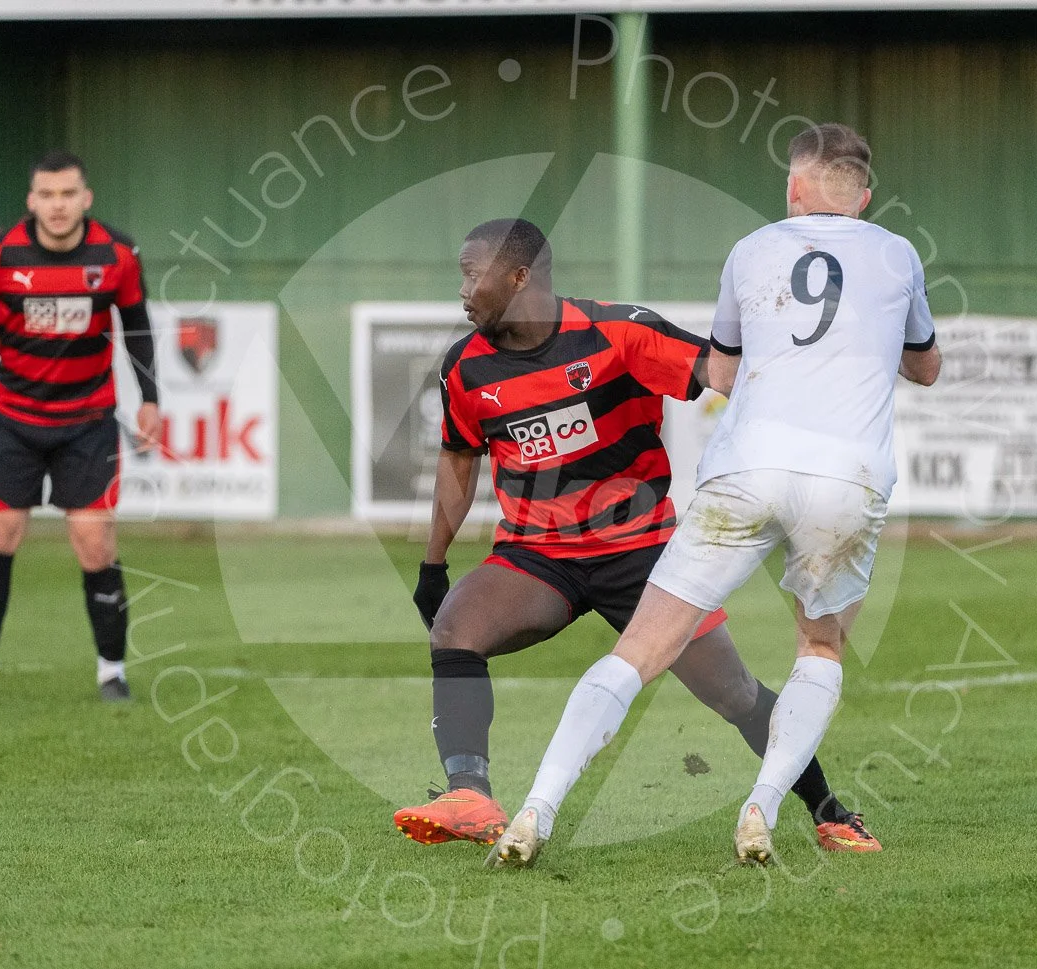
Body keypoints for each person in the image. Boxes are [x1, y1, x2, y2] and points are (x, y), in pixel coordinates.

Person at [490, 124, 942, 868]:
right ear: (864, 197)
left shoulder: (750, 251)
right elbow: (925, 369)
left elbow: (722, 374)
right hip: (847, 478)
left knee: (641, 648)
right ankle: (761, 808)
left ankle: (536, 809)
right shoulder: (897, 253)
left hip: (747, 469)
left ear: (794, 187)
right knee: (819, 645)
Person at [392, 217, 880, 854]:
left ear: (517, 278)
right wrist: (434, 566)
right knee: (456, 629)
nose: (461, 289)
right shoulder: (466, 368)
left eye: (470, 274)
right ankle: (471, 795)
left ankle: (829, 810)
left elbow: (723, 374)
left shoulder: (618, 332)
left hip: (643, 554)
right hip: (537, 557)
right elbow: (458, 462)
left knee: (733, 693)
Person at [0, 150, 160, 701]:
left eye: (68, 195)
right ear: (31, 200)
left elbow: (137, 327)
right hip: (13, 419)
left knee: (94, 544)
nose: (57, 206)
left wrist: (150, 398)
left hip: (88, 421)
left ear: (86, 198)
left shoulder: (118, 255)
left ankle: (112, 674)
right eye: (47, 195)